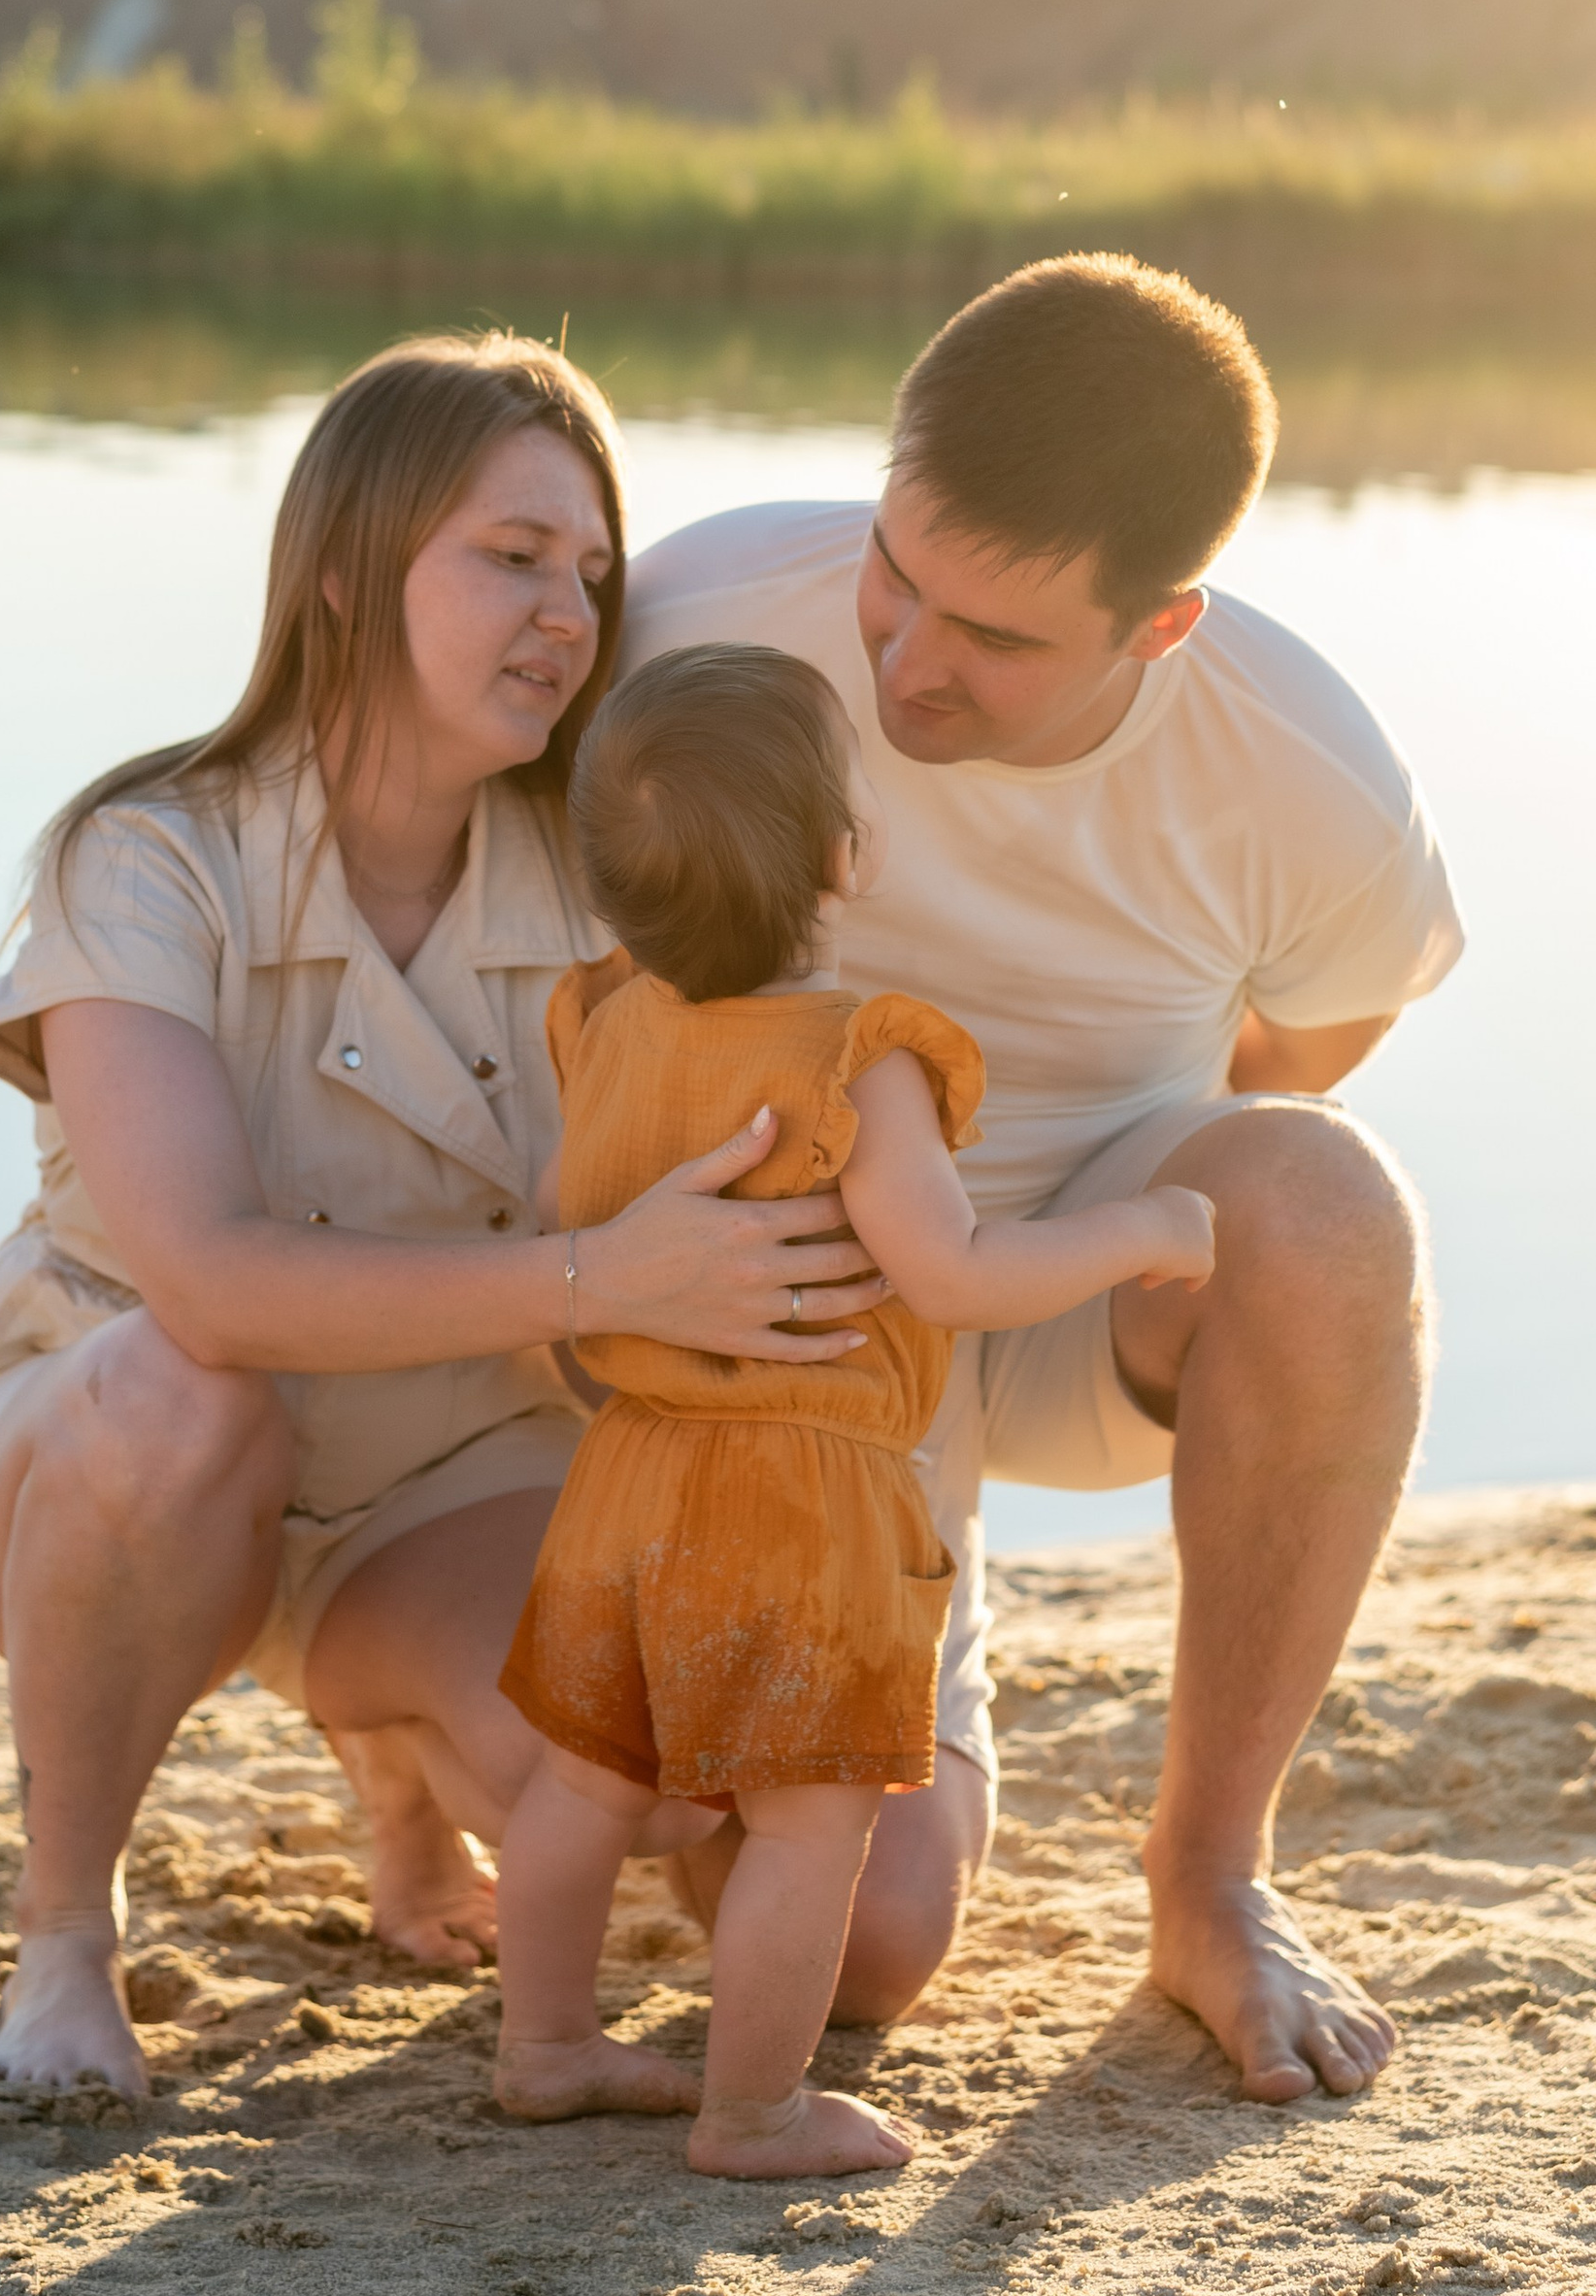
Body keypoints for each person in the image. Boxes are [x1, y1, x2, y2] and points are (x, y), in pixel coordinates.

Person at [0, 332, 875, 2095]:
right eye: (512, 557)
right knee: (189, 1393)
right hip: (115, 1446)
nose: (569, 614)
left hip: (433, 1474)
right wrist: (600, 1275)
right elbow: (206, 1288)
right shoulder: (144, 855)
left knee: (652, 1783)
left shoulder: (601, 886)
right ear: (348, 570)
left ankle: (395, 1760)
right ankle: (65, 1935)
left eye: (588, 572)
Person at [624, 253, 1465, 2106]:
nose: (908, 666)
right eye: (896, 579)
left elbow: (1303, 1063)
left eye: (995, 641)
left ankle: (1208, 1876)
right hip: (746, 1334)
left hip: (1062, 1299)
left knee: (1327, 1210)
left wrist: (1070, 1242)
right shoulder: (693, 609)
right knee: (867, 1957)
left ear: (1158, 628)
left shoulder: (1301, 769)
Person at [490, 645, 1216, 2176]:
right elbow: (952, 1274)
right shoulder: (858, 1057)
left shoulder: (603, 1024)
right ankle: (751, 2108)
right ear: (845, 855)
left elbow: (569, 1214)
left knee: (581, 1780)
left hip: (630, 1473)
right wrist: (1144, 1233)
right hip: (803, 1493)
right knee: (813, 1824)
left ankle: (545, 2045)